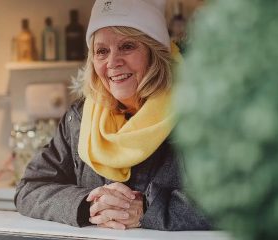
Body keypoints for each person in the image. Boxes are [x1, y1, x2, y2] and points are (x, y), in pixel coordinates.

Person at [14, 0, 210, 231]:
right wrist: (92, 204)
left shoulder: (199, 112)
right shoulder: (79, 119)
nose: (112, 62)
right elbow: (30, 188)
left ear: (154, 51)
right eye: (102, 51)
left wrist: (147, 208)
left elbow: (240, 198)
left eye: (127, 46)